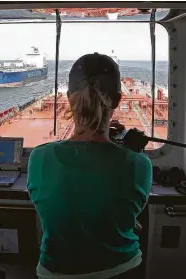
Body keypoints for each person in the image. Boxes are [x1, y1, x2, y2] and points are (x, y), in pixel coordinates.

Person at [27, 53, 153, 279]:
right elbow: (129, 215)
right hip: (123, 270)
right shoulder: (139, 164)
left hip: (55, 271)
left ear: (68, 98)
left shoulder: (39, 158)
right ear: (117, 99)